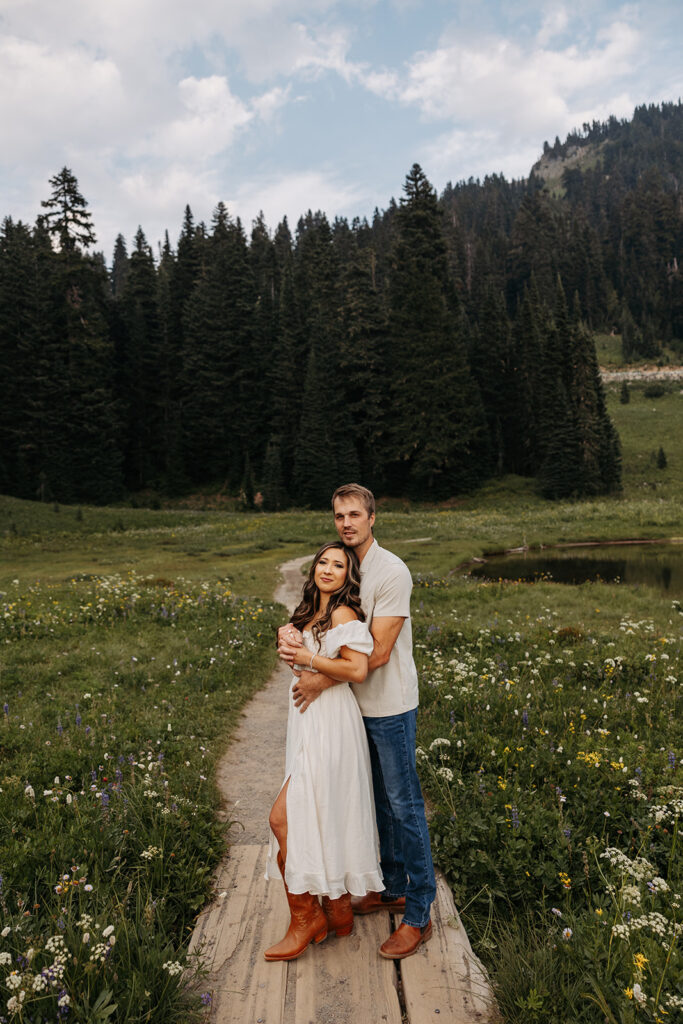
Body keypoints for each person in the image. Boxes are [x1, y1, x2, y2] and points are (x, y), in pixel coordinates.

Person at [278, 483, 436, 960]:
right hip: (350, 710)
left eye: (354, 514)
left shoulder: (391, 571)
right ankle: (389, 886)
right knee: (372, 800)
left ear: (373, 518)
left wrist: (318, 679)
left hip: (388, 706)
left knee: (404, 804)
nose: (346, 523)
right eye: (338, 515)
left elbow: (380, 652)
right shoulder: (345, 568)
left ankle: (419, 913)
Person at [264, 541, 383, 962]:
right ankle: (338, 912)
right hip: (307, 722)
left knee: (283, 818)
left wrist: (308, 658)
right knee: (319, 812)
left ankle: (306, 918)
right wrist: (290, 648)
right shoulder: (310, 612)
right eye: (323, 562)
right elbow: (303, 665)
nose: (329, 569)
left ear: (348, 575)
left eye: (339, 564)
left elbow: (356, 669)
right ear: (313, 568)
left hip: (331, 722)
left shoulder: (344, 613)